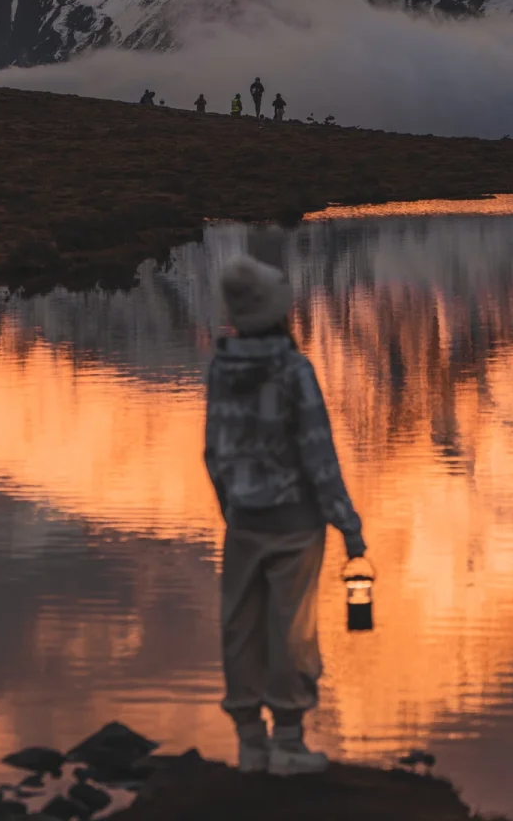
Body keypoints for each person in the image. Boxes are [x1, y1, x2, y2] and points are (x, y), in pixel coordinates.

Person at [205, 255, 366, 776]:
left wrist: (231, 506)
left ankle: (251, 743)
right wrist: (348, 526)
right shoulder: (294, 369)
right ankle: (289, 744)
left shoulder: (221, 367)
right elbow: (318, 452)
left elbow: (214, 450)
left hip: (244, 520)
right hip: (295, 522)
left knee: (241, 627)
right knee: (291, 629)